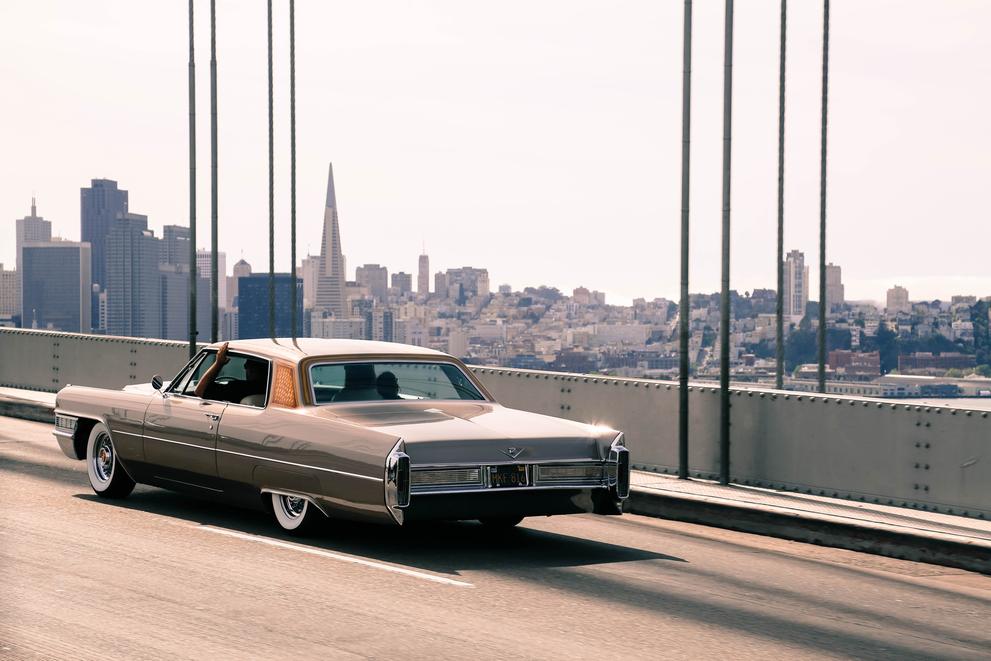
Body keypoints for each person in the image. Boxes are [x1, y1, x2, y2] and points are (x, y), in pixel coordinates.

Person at [194, 342, 268, 405]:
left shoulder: (238, 388)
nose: (245, 367)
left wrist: (218, 363)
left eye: (248, 364)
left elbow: (200, 391)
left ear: (253, 370)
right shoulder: (272, 392)